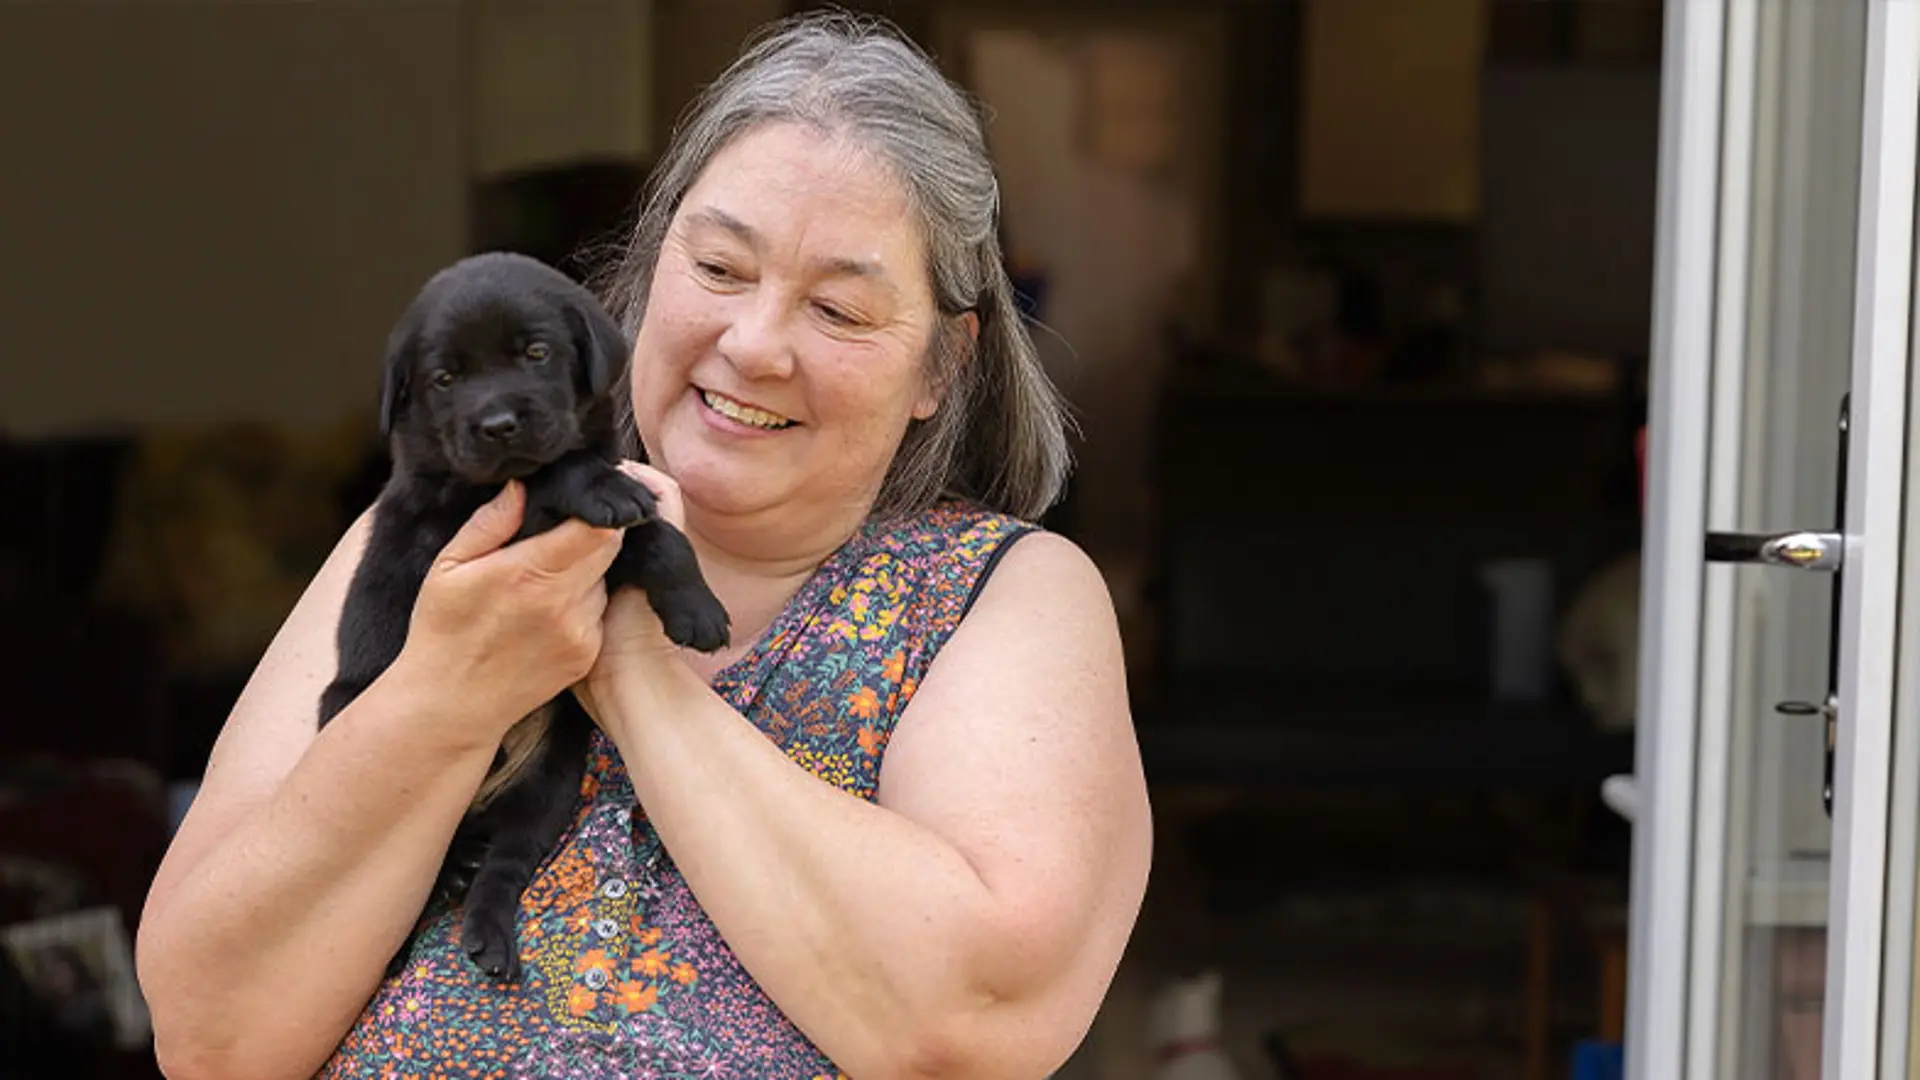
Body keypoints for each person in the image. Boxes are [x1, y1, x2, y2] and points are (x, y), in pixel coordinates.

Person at [134, 12, 1153, 1079]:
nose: (754, 345)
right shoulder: (435, 544)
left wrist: (631, 663)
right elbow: (211, 1033)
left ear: (942, 368)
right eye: (718, 267)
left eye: (840, 311)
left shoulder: (997, 599)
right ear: (646, 274)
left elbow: (968, 1028)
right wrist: (446, 691)